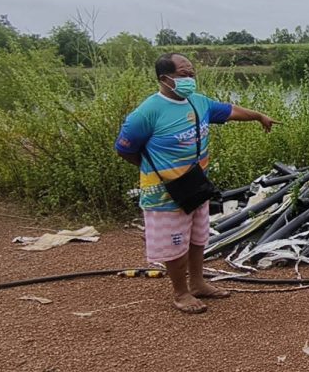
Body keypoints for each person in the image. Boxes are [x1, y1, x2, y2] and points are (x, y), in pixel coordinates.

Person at [115, 53, 278, 314]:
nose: (190, 78)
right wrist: (159, 170)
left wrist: (259, 115)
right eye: (184, 74)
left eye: (192, 73)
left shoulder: (198, 102)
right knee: (174, 245)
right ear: (165, 78)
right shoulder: (147, 112)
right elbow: (125, 149)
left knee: (197, 238)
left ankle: (198, 283)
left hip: (196, 185)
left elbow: (230, 110)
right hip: (165, 192)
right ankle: (181, 293)